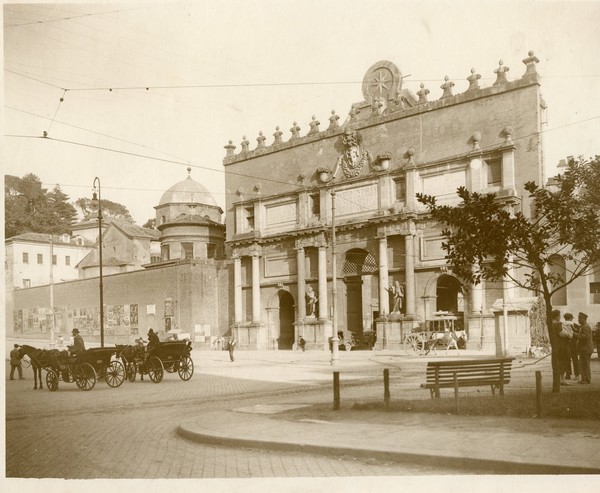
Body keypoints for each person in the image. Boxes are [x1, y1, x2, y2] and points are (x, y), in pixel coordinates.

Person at [575, 312, 593, 384]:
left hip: (586, 349)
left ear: (584, 319)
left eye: (580, 318)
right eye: (578, 318)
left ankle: (587, 379)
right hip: (583, 349)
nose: (578, 320)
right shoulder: (583, 326)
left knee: (585, 365)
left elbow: (585, 337)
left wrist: (575, 334)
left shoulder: (585, 326)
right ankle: (583, 379)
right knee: (582, 364)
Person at [563, 313, 579, 380]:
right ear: (571, 318)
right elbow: (578, 334)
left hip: (566, 344)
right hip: (573, 345)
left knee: (567, 360)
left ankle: (568, 374)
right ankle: (577, 374)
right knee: (575, 360)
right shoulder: (575, 325)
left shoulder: (562, 325)